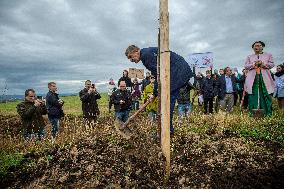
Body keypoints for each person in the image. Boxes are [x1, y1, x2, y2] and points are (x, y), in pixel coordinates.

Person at [125, 45, 193, 135]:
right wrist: (155, 93)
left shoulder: (146, 56)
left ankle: (167, 131)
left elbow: (158, 75)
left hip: (177, 73)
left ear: (136, 51)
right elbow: (158, 73)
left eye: (131, 56)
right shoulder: (146, 53)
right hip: (178, 71)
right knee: (166, 102)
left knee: (167, 102)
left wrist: (155, 93)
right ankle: (167, 130)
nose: (131, 60)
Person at [244, 41, 275, 117]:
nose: (257, 47)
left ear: (262, 47)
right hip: (253, 78)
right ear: (253, 48)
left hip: (264, 78)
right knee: (253, 95)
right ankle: (253, 113)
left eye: (259, 45)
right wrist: (253, 64)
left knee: (266, 94)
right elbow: (246, 66)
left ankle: (267, 113)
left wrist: (263, 64)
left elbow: (272, 64)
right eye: (255, 46)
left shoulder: (268, 55)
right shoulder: (249, 57)